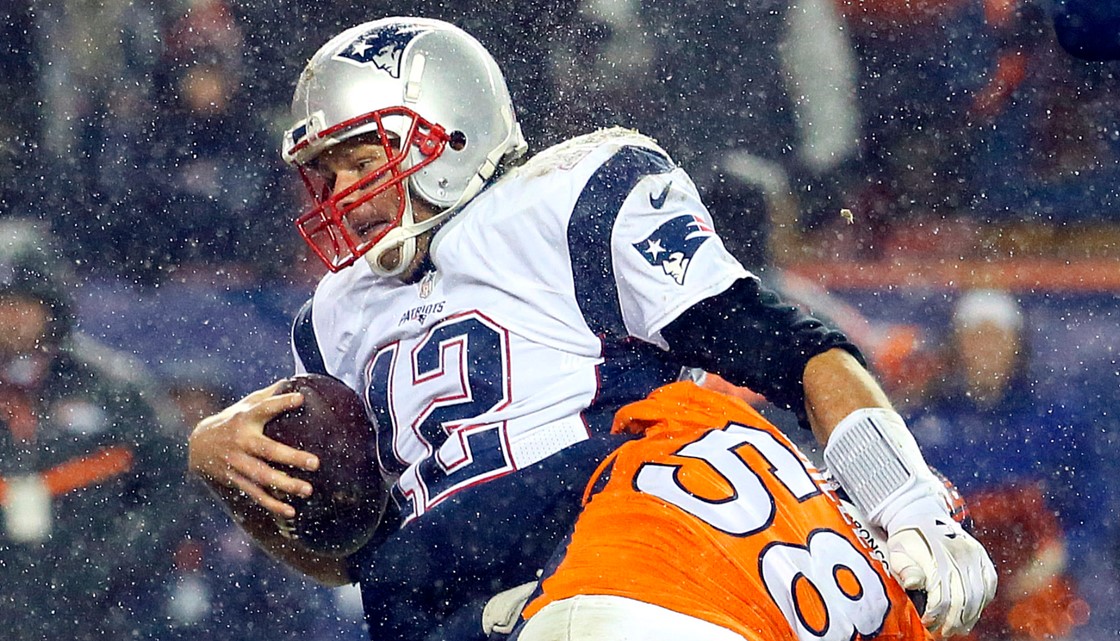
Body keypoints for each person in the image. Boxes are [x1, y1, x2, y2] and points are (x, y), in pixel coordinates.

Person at [187, 17, 996, 641]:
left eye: (362, 160)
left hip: (618, 558)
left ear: (450, 131)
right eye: (324, 173)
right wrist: (230, 473)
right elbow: (350, 555)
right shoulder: (333, 317)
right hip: (454, 603)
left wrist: (909, 502)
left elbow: (793, 349)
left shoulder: (565, 200)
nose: (341, 191)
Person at [512, 381, 938, 640]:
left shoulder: (721, 416)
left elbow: (579, 469)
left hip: (579, 600)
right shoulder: (898, 611)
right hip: (711, 623)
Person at [0, 219, 188, 640]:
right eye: (1, 304)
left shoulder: (113, 387)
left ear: (51, 306)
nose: (10, 319)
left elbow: (171, 480)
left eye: (22, 303)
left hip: (100, 615)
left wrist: (115, 556)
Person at [905, 289, 1092, 641]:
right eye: (975, 336)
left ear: (1017, 345)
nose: (986, 348)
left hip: (1038, 593)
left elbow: (1093, 506)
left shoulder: (1055, 419)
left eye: (997, 336)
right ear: (956, 345)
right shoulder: (923, 423)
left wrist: (1058, 555)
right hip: (951, 589)